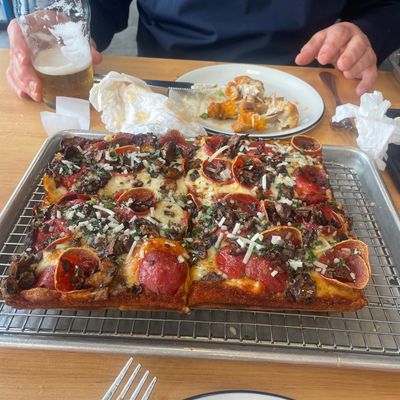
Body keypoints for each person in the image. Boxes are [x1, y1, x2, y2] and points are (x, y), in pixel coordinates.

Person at [6, 0, 400, 102]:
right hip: (166, 88)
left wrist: (367, 32)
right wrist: (59, 25)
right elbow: (100, 9)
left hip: (309, 86)